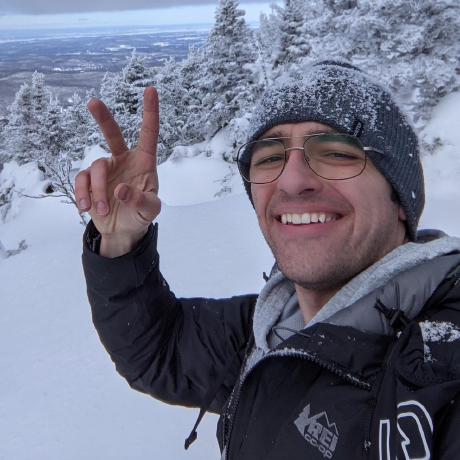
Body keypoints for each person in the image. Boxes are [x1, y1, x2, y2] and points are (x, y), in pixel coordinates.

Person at [77, 61, 460, 460]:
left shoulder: (441, 369)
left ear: (399, 197)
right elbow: (158, 349)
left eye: (335, 152)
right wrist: (120, 241)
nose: (292, 181)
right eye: (270, 157)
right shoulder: (271, 331)